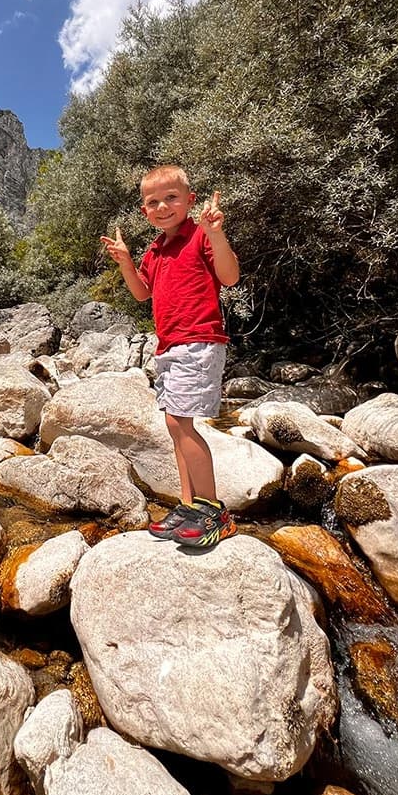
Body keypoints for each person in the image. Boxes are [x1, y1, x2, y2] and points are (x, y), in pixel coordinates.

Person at [100, 165, 240, 548]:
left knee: (182, 424)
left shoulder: (200, 237)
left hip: (199, 341)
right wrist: (127, 263)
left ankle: (214, 512)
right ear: (145, 211)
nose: (163, 206)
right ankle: (188, 504)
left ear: (190, 201)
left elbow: (229, 277)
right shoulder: (156, 249)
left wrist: (216, 232)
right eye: (153, 202)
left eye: (171, 198)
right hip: (169, 345)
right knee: (175, 427)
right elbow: (143, 294)